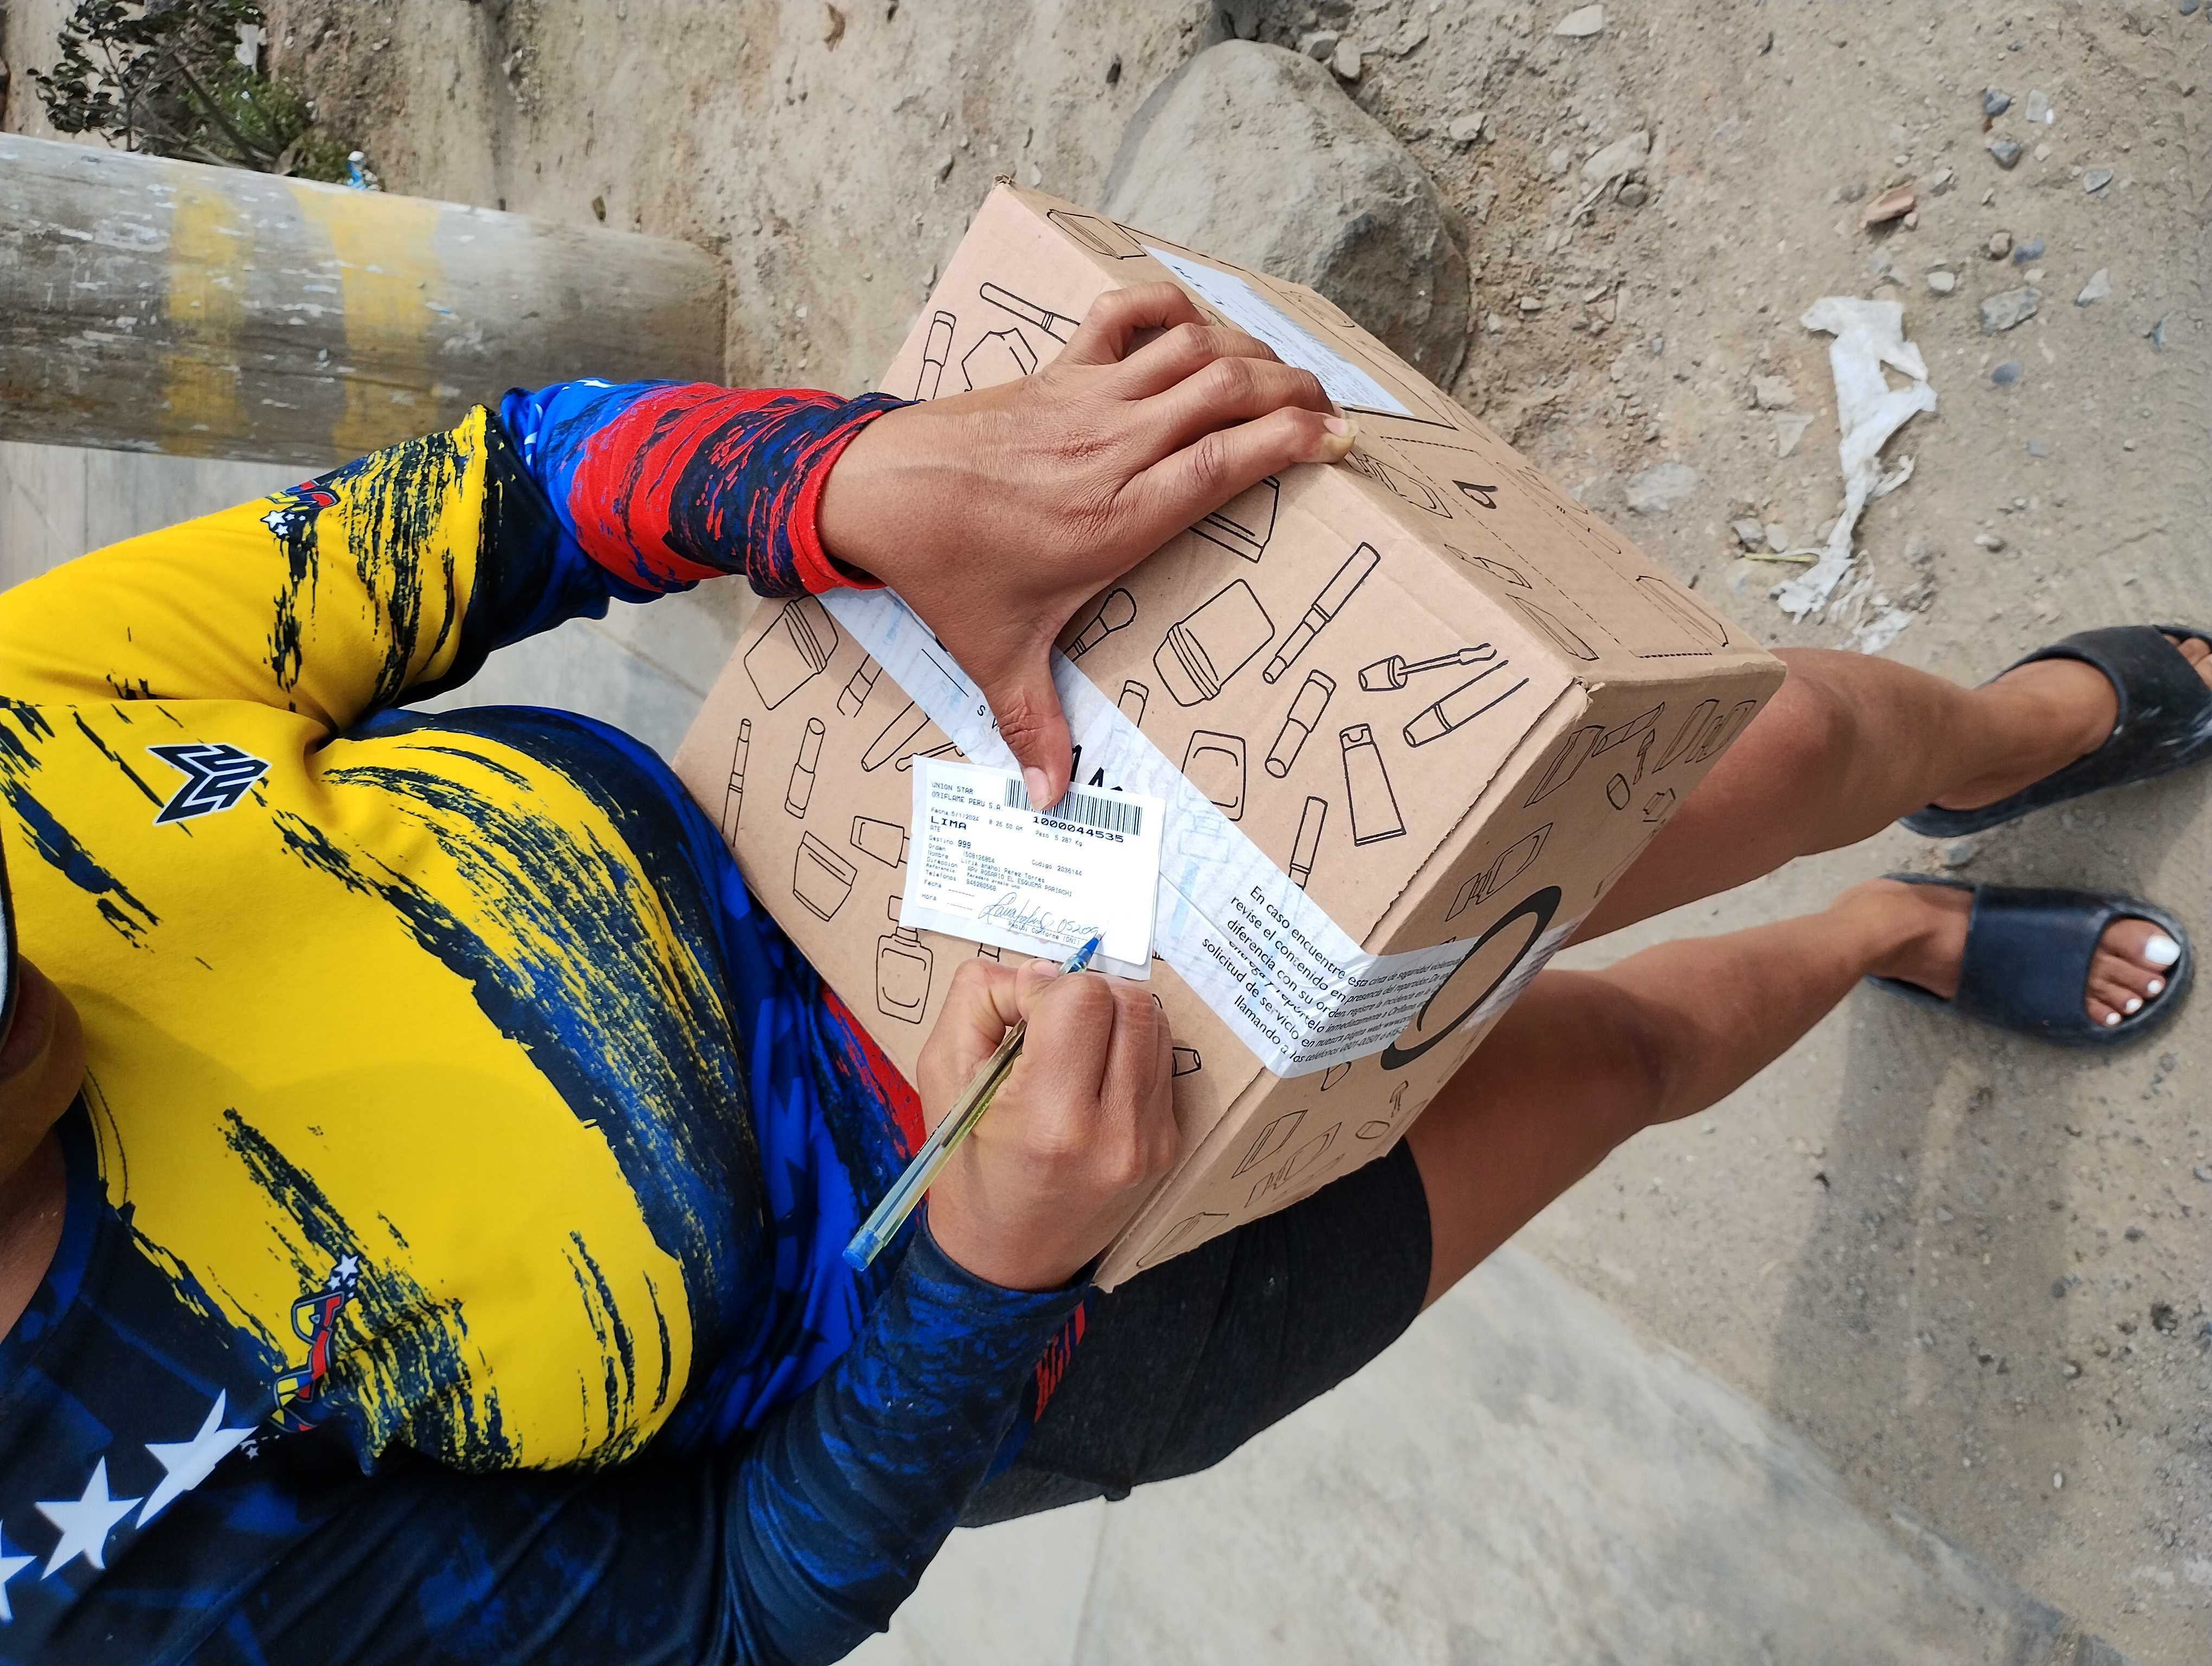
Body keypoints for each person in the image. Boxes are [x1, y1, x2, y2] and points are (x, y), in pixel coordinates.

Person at [0, 283, 2201, 1666]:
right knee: (1608, 1060)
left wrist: (837, 478)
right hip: (1059, 1313)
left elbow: (500, 498)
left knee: (1779, 742)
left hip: (880, 807)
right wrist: (988, 1270)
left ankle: (2003, 743)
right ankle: (1886, 936)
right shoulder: (69, 1572)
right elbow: (729, 1606)